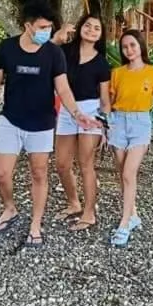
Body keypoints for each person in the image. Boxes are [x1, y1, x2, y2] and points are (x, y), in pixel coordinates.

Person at [0, 0, 99, 248]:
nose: (46, 32)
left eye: (49, 27)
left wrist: (76, 113)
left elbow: (62, 87)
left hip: (41, 122)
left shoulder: (54, 53)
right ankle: (10, 208)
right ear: (27, 26)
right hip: (11, 118)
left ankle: (35, 224)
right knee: (1, 173)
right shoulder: (7, 48)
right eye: (41, 27)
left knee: (39, 172)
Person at [107, 29, 153, 247]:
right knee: (122, 174)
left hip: (140, 124)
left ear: (140, 46)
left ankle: (124, 223)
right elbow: (110, 98)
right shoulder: (117, 73)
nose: (129, 50)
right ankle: (133, 214)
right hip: (118, 121)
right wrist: (106, 122)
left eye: (133, 45)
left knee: (129, 172)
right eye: (125, 46)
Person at [51, 13, 111, 232]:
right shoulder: (64, 52)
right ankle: (73, 202)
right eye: (88, 25)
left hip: (91, 111)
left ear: (101, 35)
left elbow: (105, 100)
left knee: (86, 164)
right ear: (79, 28)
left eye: (97, 28)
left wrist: (104, 124)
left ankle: (89, 212)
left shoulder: (101, 62)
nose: (91, 30)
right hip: (67, 110)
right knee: (62, 164)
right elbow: (42, 55)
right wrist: (57, 38)